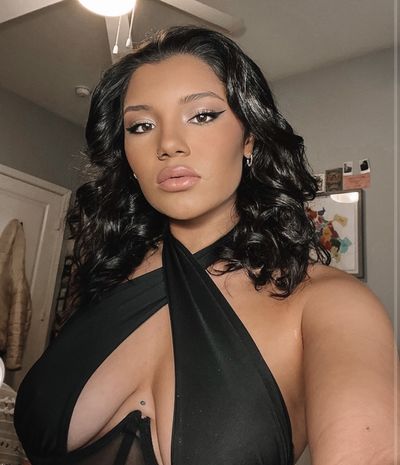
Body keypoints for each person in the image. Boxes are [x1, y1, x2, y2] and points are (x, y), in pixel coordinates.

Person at [14, 26, 396, 465]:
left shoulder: (330, 304)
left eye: (202, 116)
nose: (168, 145)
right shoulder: (105, 275)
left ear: (249, 138)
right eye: (142, 125)